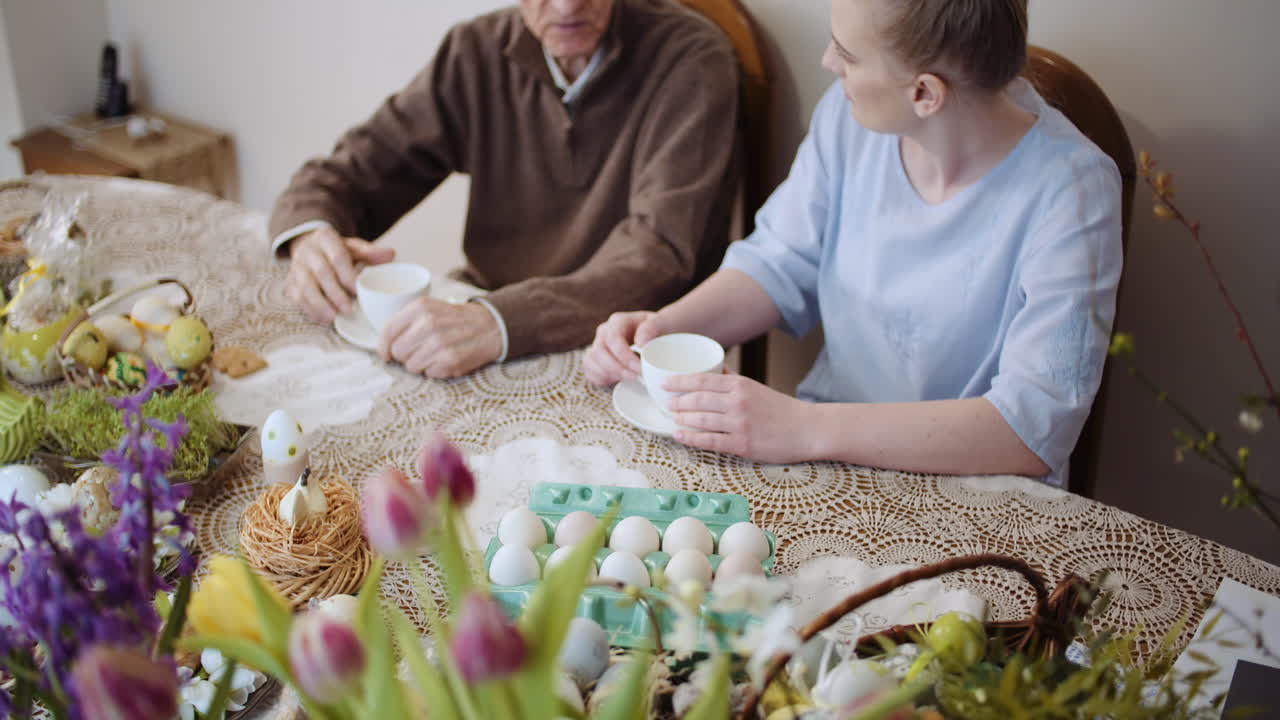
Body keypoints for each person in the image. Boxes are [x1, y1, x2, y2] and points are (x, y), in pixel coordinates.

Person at [584, 0, 1122, 486]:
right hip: (826, 464)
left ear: (925, 94)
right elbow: (778, 262)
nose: (827, 62)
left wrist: (805, 427)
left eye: (847, 53)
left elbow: (1030, 429)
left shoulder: (1072, 189)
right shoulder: (849, 119)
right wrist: (666, 330)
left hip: (979, 494)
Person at [270, 0, 741, 378]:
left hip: (625, 359)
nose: (565, 6)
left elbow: (657, 255)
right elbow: (356, 167)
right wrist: (311, 235)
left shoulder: (691, 58)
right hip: (481, 321)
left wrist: (500, 321)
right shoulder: (474, 50)